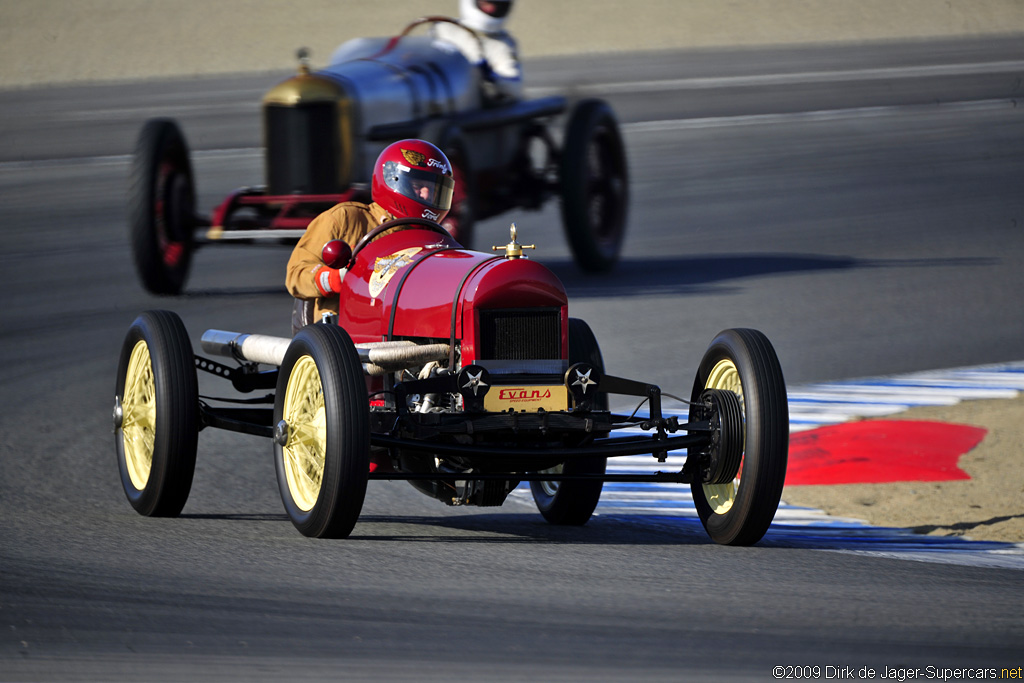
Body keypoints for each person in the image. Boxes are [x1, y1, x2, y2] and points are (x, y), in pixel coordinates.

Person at [286, 139, 454, 327]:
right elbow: (296, 274)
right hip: (341, 335)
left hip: (404, 330)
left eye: (432, 189)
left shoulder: (436, 240)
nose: (425, 195)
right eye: (418, 185)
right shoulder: (345, 218)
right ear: (392, 179)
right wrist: (335, 278)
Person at [433, 0, 522, 101]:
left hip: (472, 105)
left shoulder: (503, 44)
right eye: (486, 3)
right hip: (437, 94)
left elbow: (513, 88)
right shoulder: (443, 29)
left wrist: (489, 75)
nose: (491, 9)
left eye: (498, 5)